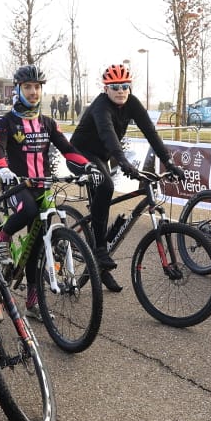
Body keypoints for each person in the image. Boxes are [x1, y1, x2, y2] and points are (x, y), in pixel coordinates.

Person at [0, 65, 98, 309]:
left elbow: (67, 149)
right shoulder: (5, 122)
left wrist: (88, 166)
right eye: (28, 87)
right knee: (27, 211)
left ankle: (32, 300)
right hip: (16, 187)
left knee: (37, 246)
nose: (33, 92)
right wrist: (3, 170)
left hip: (44, 187)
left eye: (37, 87)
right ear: (17, 89)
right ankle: (3, 236)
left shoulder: (48, 123)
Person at [70, 63, 181, 292]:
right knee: (105, 186)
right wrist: (123, 162)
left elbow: (151, 132)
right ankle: (99, 252)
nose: (121, 91)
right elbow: (107, 134)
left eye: (125, 86)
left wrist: (169, 162)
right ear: (106, 89)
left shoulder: (132, 103)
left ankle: (99, 268)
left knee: (102, 199)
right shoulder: (100, 106)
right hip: (80, 154)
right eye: (115, 87)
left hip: (102, 156)